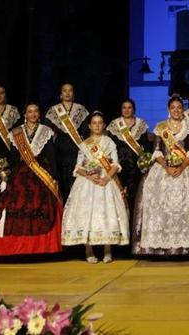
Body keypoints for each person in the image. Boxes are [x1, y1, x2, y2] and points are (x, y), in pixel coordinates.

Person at [0, 103, 63, 256]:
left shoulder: (46, 131)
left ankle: (38, 247)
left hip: (40, 172)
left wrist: (54, 177)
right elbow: (10, 156)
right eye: (30, 111)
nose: (33, 114)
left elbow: (51, 157)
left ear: (39, 114)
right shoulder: (16, 132)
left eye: (36, 111)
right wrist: (3, 171)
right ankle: (10, 247)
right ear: (25, 114)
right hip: (19, 172)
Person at [132, 95, 189, 256]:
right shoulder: (161, 127)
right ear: (169, 109)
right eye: (173, 107)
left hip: (186, 167)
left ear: (183, 110)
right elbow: (157, 151)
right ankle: (162, 245)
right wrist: (167, 167)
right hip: (163, 168)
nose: (176, 110)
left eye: (179, 107)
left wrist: (181, 167)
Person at [61, 112, 130, 263]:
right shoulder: (85, 144)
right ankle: (88, 250)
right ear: (89, 126)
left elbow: (115, 164)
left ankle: (107, 250)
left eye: (100, 123)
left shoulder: (109, 142)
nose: (97, 125)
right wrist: (88, 175)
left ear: (104, 125)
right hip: (88, 181)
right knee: (87, 214)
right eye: (94, 123)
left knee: (107, 212)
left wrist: (106, 178)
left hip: (106, 180)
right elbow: (78, 167)